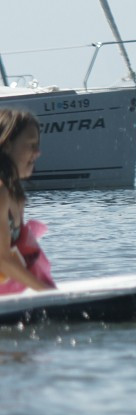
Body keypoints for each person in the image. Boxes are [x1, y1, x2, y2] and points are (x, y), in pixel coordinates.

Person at [0, 109, 55, 294]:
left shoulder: (15, 195)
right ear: (6, 145)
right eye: (31, 145)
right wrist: (47, 293)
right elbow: (2, 259)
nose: (38, 152)